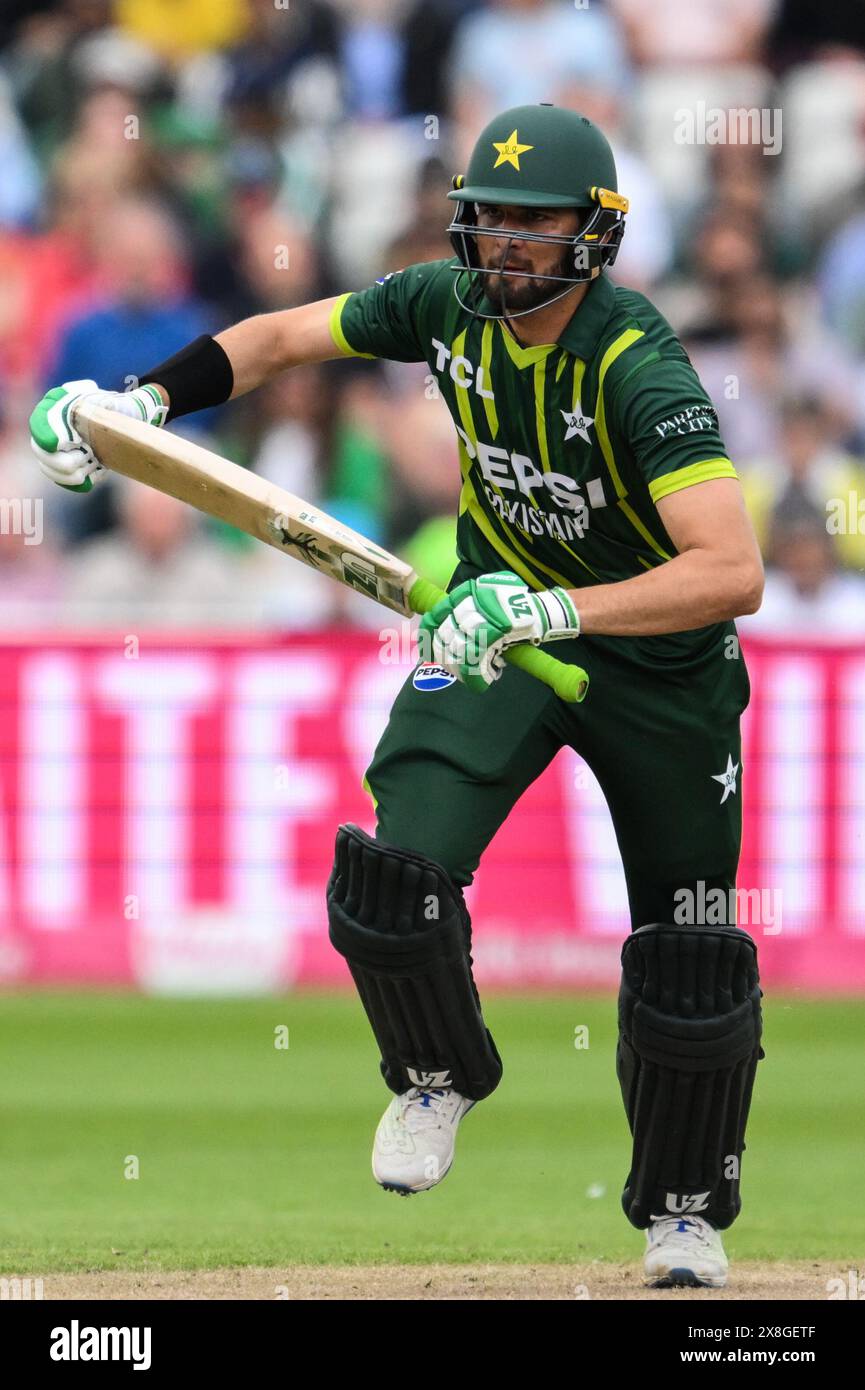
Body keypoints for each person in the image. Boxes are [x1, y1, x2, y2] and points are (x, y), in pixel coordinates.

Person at [29, 103, 766, 1291]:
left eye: (536, 228)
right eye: (489, 222)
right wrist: (143, 407)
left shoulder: (640, 366)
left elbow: (731, 570)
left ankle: (683, 1212)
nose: (505, 249)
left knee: (689, 955)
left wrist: (557, 610)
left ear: (596, 236)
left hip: (656, 667)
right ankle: (436, 1073)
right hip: (486, 621)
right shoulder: (439, 303)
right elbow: (277, 338)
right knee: (390, 878)